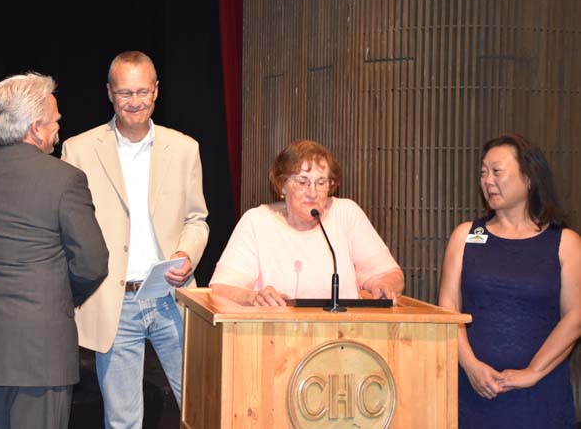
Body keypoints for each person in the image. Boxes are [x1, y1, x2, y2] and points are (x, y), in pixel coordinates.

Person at [0, 73, 109, 429]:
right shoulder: (65, 179)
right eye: (55, 122)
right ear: (35, 128)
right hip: (40, 349)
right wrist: (59, 299)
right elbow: (93, 262)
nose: (58, 128)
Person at [62, 50, 209, 428]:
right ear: (109, 92)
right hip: (115, 302)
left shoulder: (185, 148)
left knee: (202, 407)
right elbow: (68, 229)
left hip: (171, 296)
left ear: (157, 91)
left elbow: (197, 219)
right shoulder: (78, 150)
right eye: (126, 93)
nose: (135, 102)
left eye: (143, 91)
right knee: (123, 421)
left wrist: (187, 254)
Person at [438, 134, 581, 429]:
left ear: (528, 177)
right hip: (473, 390)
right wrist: (471, 365)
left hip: (540, 396)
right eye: (483, 172)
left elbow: (576, 316)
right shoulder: (465, 235)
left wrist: (532, 372)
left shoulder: (565, 243)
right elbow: (448, 307)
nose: (488, 180)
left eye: (497, 171)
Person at [209, 139, 404, 306]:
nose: (312, 193)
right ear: (282, 184)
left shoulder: (346, 214)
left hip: (343, 339)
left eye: (321, 183)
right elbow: (221, 289)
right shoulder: (257, 221)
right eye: (302, 182)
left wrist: (383, 285)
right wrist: (253, 297)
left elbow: (391, 275)